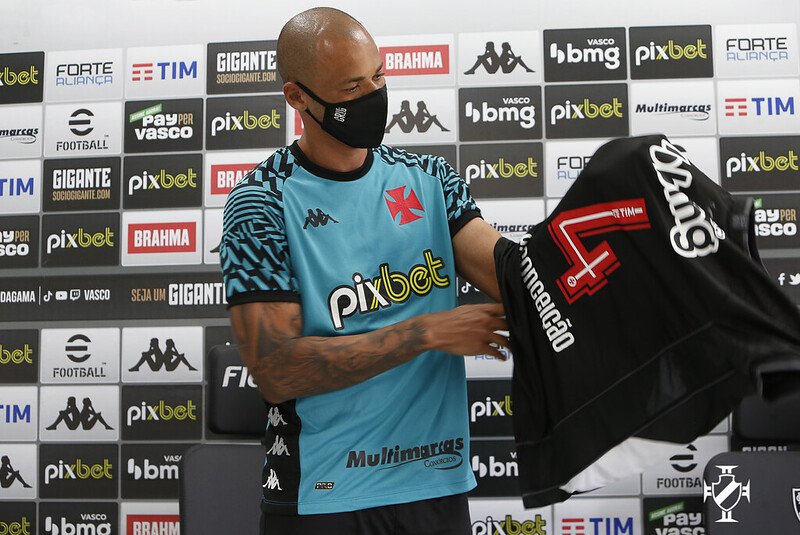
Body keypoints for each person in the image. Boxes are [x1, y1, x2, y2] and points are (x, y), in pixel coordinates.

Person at [219, 7, 505, 535]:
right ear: (297, 97)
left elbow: (508, 271)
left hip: (436, 485)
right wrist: (426, 331)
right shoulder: (260, 203)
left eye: (378, 76)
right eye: (352, 87)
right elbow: (277, 371)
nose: (374, 95)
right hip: (322, 496)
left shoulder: (431, 179)